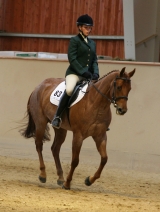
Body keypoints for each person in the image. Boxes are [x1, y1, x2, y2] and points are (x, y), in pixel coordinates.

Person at [51, 14, 99, 129]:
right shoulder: (74, 40)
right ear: (80, 27)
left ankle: (98, 120)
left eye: (90, 28)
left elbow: (94, 60)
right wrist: (83, 72)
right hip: (75, 74)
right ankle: (57, 116)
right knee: (69, 89)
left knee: (98, 92)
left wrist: (96, 72)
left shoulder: (92, 43)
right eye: (86, 27)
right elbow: (72, 59)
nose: (89, 30)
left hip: (88, 75)